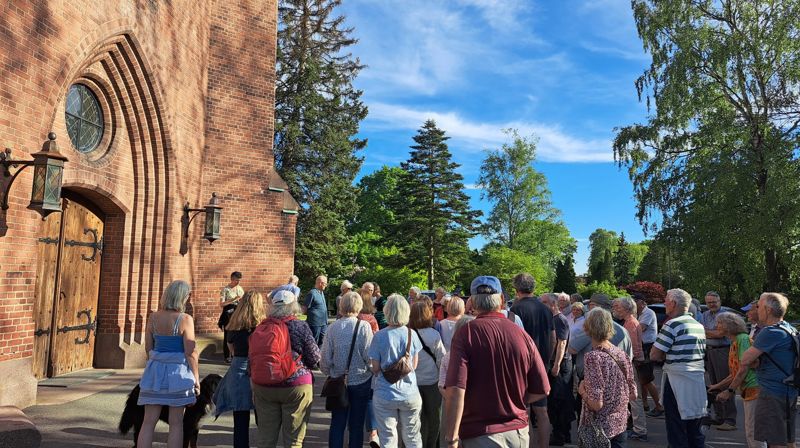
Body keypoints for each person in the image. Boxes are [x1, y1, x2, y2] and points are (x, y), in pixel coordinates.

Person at [444, 275, 550, 448]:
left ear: (472, 302)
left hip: (479, 433)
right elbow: (543, 389)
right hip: (517, 433)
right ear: (501, 300)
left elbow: (456, 390)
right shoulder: (521, 334)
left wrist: (452, 438)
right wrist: (513, 401)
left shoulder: (465, 334)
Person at [252, 290, 320, 448]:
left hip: (264, 386)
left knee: (265, 440)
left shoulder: (261, 327)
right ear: (293, 305)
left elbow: (252, 359)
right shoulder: (300, 326)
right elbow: (315, 357)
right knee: (293, 441)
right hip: (295, 385)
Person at [136, 280, 199, 448]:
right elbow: (191, 352)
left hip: (155, 371)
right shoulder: (185, 319)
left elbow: (148, 348)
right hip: (177, 373)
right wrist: (196, 379)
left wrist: (156, 363)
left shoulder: (153, 317)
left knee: (148, 421)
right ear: (182, 297)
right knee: (176, 423)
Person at [650, 288, 707, 448]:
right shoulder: (698, 325)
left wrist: (663, 355)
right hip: (696, 380)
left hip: (677, 380)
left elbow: (654, 354)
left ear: (673, 304)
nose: (664, 303)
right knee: (694, 427)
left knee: (676, 428)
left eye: (666, 300)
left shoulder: (672, 324)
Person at [741, 292, 798, 448]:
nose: (756, 309)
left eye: (758, 306)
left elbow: (745, 359)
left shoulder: (770, 332)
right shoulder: (788, 328)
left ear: (767, 310)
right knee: (788, 439)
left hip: (773, 393)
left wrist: (754, 359)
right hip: (789, 391)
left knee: (775, 441)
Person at [368, 294, 423, 448]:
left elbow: (376, 368)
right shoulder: (412, 334)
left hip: (385, 393)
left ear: (387, 311)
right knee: (412, 437)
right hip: (410, 393)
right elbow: (414, 365)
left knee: (388, 438)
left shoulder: (379, 336)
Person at [321, 291, 374, 448]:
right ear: (359, 306)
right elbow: (369, 356)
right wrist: (372, 371)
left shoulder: (332, 328)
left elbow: (324, 359)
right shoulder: (364, 327)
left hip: (338, 381)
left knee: (337, 424)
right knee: (356, 426)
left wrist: (330, 372)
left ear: (341, 306)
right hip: (361, 380)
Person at [577, 308, 637, 448]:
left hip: (601, 429)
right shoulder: (620, 353)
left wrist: (582, 392)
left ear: (587, 328)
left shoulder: (594, 357)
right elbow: (633, 394)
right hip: (620, 423)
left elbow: (596, 404)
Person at [213, 290, 265, 448]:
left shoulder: (234, 325)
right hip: (258, 370)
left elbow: (232, 349)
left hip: (238, 369)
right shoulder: (263, 327)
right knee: (263, 419)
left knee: (240, 421)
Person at [509, 273, 554, 448]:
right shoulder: (545, 309)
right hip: (542, 363)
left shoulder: (516, 309)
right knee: (542, 412)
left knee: (524, 411)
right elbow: (553, 337)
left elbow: (512, 341)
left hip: (523, 367)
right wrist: (547, 360)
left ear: (516, 289)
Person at [708, 312, 765, 448]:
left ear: (729, 325)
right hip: (748, 389)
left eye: (720, 323)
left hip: (754, 388)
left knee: (753, 430)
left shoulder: (742, 339)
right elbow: (735, 372)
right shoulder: (735, 341)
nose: (717, 326)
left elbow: (742, 370)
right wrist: (717, 385)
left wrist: (729, 391)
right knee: (751, 429)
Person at [409, 300, 446, 447]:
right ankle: (432, 444)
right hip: (432, 382)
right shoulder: (434, 335)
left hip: (413, 383)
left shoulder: (408, 335)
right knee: (434, 418)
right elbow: (441, 360)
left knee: (417, 419)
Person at [540, 293, 575, 446]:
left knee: (559, 400)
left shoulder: (559, 319)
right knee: (557, 400)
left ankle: (560, 434)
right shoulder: (553, 319)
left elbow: (561, 343)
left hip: (560, 366)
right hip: (558, 364)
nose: (542, 305)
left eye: (544, 302)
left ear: (553, 304)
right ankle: (562, 433)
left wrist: (556, 365)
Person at [611, 296, 647, 441]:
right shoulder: (630, 322)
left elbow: (631, 350)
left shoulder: (630, 323)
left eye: (618, 307)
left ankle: (640, 430)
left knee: (633, 397)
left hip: (630, 364)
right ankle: (636, 427)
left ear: (626, 308)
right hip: (631, 363)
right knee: (632, 397)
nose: (615, 309)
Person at [702, 291, 736, 430]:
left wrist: (709, 331)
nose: (712, 304)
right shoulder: (704, 315)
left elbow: (721, 334)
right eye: (709, 302)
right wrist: (712, 332)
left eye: (714, 302)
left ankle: (730, 419)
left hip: (723, 351)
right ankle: (719, 416)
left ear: (719, 301)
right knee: (714, 384)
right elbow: (703, 331)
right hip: (709, 352)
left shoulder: (725, 316)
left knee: (724, 383)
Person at [634, 295, 663, 417]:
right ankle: (645, 404)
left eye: (635, 301)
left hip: (647, 347)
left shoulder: (648, 313)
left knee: (647, 379)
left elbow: (640, 329)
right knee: (642, 379)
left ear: (642, 302)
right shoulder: (637, 313)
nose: (634, 304)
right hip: (641, 346)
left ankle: (659, 406)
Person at [218, 271, 244, 363]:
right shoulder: (225, 289)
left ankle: (234, 355)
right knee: (228, 334)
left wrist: (241, 301)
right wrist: (233, 299)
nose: (238, 283)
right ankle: (227, 356)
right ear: (232, 279)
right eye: (237, 280)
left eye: (239, 281)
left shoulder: (240, 289)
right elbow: (221, 304)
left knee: (237, 335)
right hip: (228, 315)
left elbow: (242, 302)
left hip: (237, 315)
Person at [303, 275, 329, 347]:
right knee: (314, 342)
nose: (326, 285)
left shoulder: (321, 293)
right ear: (320, 283)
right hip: (315, 324)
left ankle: (320, 356)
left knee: (323, 341)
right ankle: (312, 357)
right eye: (325, 283)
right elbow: (305, 307)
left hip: (323, 323)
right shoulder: (312, 293)